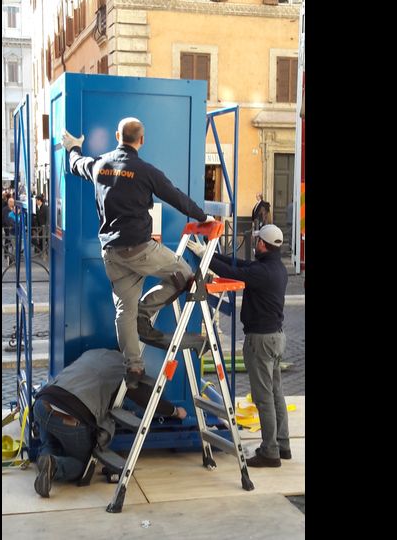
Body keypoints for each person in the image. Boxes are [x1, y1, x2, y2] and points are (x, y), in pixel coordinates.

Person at [61, 117, 212, 389]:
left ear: (118, 135)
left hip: (112, 253)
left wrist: (72, 146)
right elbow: (175, 196)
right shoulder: (146, 171)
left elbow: (75, 165)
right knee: (185, 274)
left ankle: (133, 367)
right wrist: (203, 217)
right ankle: (145, 312)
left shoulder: (100, 165)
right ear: (141, 140)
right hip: (141, 249)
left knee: (123, 311)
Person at [187, 224, 289, 468]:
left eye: (257, 241)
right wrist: (208, 251)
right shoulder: (277, 268)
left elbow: (232, 272)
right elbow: (240, 266)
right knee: (276, 394)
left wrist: (204, 257)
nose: (255, 244)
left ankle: (270, 452)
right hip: (276, 338)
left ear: (263, 244)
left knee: (263, 399)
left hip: (261, 341)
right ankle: (282, 445)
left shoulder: (262, 273)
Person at [32, 348, 187, 497]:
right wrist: (174, 411)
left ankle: (46, 459)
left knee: (50, 443)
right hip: (70, 418)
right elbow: (144, 397)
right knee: (83, 466)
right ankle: (55, 466)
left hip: (42, 404)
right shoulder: (124, 369)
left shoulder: (93, 353)